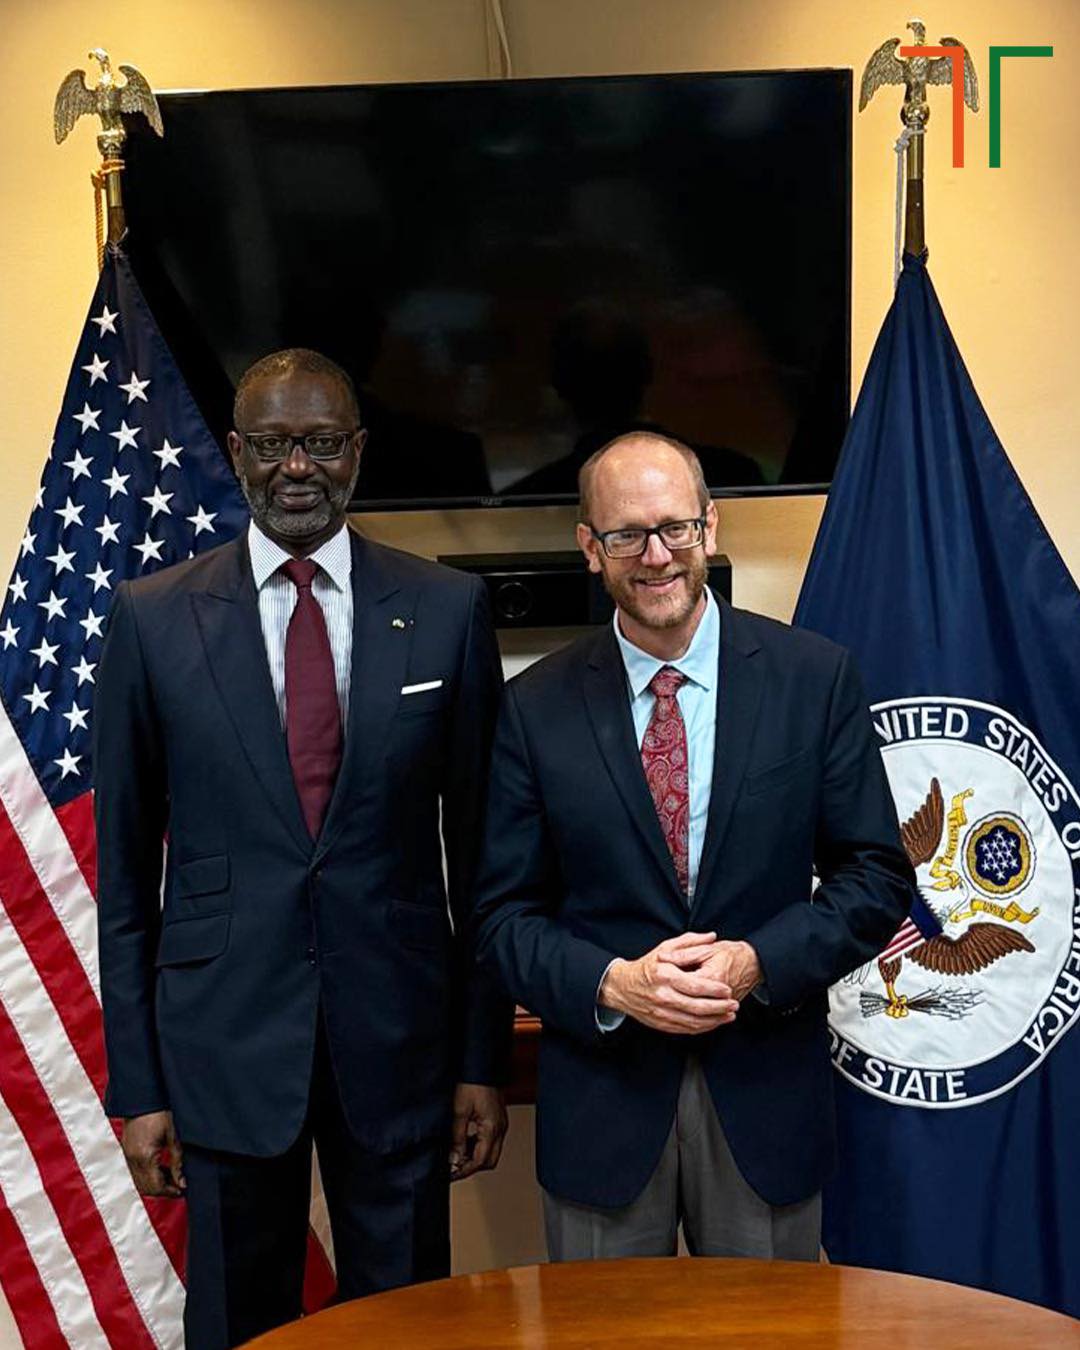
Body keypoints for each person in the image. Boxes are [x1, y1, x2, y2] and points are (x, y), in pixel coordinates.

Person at [94, 348, 513, 1349]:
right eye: (274, 444)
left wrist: (481, 1060)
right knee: (237, 1326)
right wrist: (139, 1085)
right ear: (235, 451)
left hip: (400, 1043)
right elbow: (125, 877)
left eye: (321, 443)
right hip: (223, 1046)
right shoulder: (153, 619)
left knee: (404, 1326)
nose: (297, 468)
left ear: (357, 451)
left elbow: (486, 863)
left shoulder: (447, 609)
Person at [473, 431, 913, 1262]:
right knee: (602, 1330)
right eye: (626, 535)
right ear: (589, 548)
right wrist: (614, 983)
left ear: (710, 526)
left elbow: (876, 877)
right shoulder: (534, 707)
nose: (656, 555)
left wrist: (756, 961)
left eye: (674, 527)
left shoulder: (813, 678)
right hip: (603, 1110)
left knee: (765, 1329)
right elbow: (501, 918)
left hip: (765, 1099)